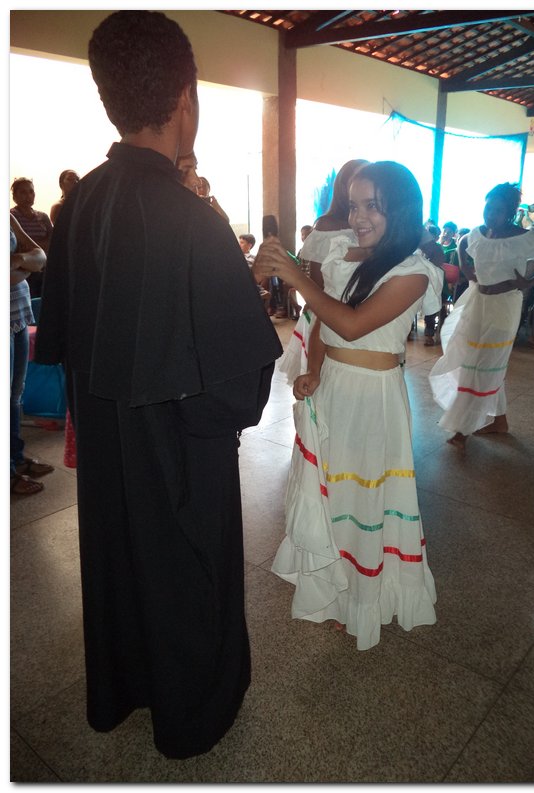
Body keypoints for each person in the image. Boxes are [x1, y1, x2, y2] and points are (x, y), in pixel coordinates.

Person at [34, 10, 282, 760]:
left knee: (120, 560)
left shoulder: (77, 204)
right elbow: (242, 374)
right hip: (183, 440)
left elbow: (68, 333)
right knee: (185, 567)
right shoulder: (192, 216)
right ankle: (192, 713)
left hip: (108, 436)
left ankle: (121, 690)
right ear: (186, 96)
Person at [254, 160, 444, 651]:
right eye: (354, 205)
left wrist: (297, 278)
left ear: (399, 210)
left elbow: (355, 324)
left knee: (363, 497)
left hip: (372, 397)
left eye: (372, 207)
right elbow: (323, 323)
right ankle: (332, 587)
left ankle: (362, 595)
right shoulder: (345, 254)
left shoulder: (415, 272)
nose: (359, 217)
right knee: (331, 492)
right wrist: (314, 369)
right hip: (335, 385)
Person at [429, 182, 534, 451]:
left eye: (498, 210)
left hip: (504, 307)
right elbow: (462, 243)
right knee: (481, 363)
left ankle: (462, 428)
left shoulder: (525, 237)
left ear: (511, 212)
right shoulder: (478, 234)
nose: (491, 215)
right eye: (488, 208)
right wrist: (467, 271)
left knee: (485, 362)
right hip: (477, 302)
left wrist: (529, 282)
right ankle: (499, 421)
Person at [278, 158, 368, 385]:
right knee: (327, 382)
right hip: (329, 314)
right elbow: (316, 283)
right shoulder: (328, 225)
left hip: (367, 313)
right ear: (343, 186)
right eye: (355, 179)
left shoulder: (377, 224)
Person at [10, 214, 54, 495]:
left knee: (15, 396)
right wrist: (23, 264)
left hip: (17, 316)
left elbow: (40, 257)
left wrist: (18, 263)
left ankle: (15, 458)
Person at [10, 177, 53, 298]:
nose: (28, 196)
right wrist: (38, 246)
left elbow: (52, 240)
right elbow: (17, 245)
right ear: (14, 197)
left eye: (31, 191)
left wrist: (32, 247)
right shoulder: (12, 217)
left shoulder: (42, 216)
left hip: (43, 268)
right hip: (22, 271)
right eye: (23, 192)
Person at [176, 152, 230, 222]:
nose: (198, 183)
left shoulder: (210, 209)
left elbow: (225, 222)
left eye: (204, 186)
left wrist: (215, 205)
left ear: (209, 190)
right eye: (185, 172)